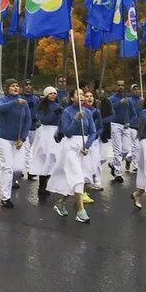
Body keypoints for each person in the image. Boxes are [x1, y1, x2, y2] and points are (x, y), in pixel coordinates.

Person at [47, 88, 96, 223]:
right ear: (72, 97)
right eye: (78, 94)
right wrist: (75, 120)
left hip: (84, 147)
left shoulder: (88, 112)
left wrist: (87, 146)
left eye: (83, 95)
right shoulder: (67, 112)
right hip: (70, 148)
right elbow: (67, 132)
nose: (81, 97)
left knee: (80, 179)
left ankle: (61, 202)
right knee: (77, 177)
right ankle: (80, 210)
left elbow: (93, 131)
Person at [0, 78, 31, 209]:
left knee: (18, 169)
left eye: (17, 86)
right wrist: (15, 103)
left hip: (18, 140)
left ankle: (8, 183)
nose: (15, 88)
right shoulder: (3, 100)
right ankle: (5, 197)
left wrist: (22, 138)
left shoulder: (24, 103)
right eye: (12, 86)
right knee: (7, 167)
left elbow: (28, 121)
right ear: (7, 88)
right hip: (3, 138)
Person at [29, 86, 63, 202]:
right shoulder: (43, 106)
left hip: (56, 132)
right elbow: (44, 120)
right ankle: (42, 185)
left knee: (55, 159)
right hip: (45, 133)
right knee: (45, 159)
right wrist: (54, 112)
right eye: (50, 93)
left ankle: (50, 183)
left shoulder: (58, 105)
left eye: (54, 93)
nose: (53, 95)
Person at [108, 80, 137, 182]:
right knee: (117, 149)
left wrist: (130, 122)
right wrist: (118, 103)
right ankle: (117, 173)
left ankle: (114, 165)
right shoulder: (111, 99)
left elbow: (134, 114)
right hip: (115, 124)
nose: (121, 87)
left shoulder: (128, 100)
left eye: (122, 85)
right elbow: (108, 110)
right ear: (115, 86)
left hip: (126, 126)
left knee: (125, 150)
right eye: (119, 85)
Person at [22, 79, 40, 180]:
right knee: (27, 148)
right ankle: (30, 170)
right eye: (26, 85)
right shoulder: (21, 98)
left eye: (30, 85)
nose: (28, 87)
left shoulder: (36, 98)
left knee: (32, 149)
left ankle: (27, 168)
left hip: (34, 127)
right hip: (24, 127)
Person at [126, 84, 143, 173]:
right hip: (132, 126)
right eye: (135, 89)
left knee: (140, 147)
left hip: (141, 126)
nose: (137, 91)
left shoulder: (142, 100)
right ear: (131, 91)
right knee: (136, 146)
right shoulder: (129, 101)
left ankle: (128, 158)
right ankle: (136, 165)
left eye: (138, 89)